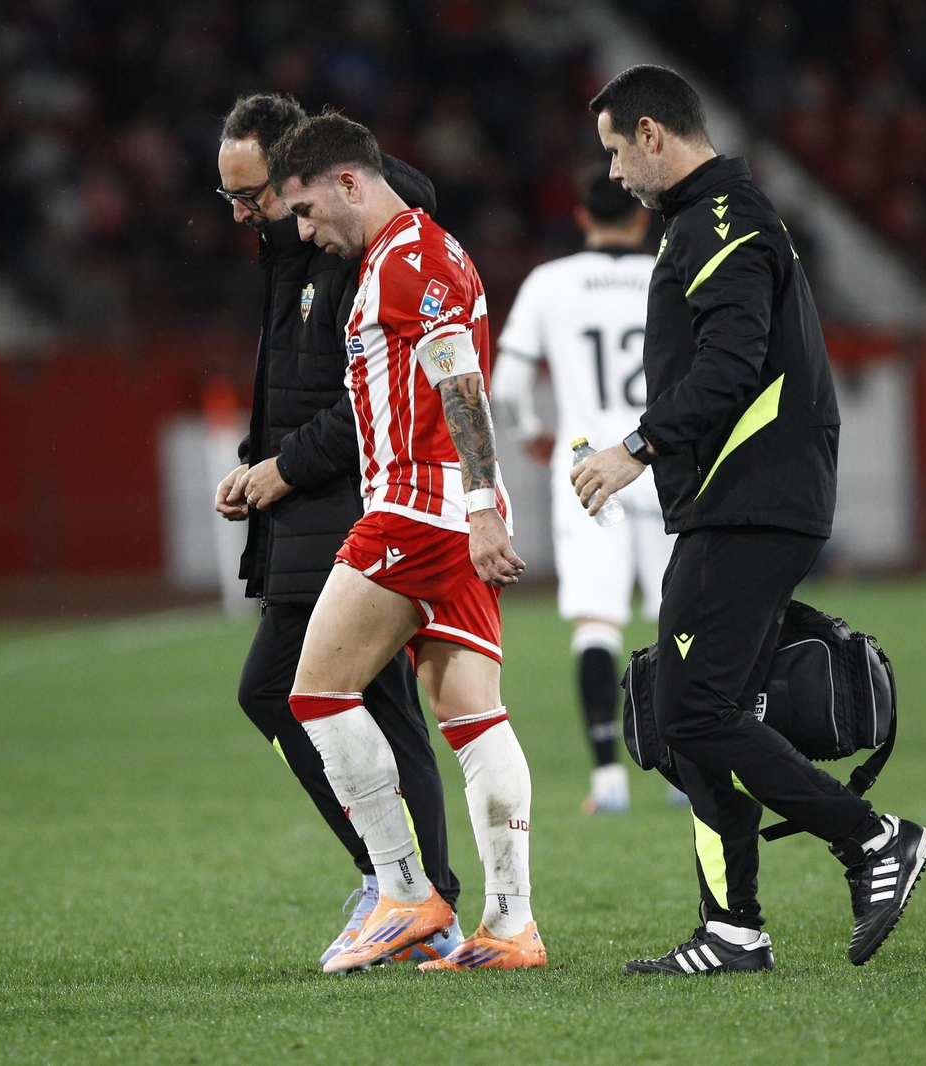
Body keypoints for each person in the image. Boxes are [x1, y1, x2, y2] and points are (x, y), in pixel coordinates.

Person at [571, 65, 926, 974]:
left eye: (617, 150)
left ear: (653, 135)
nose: (613, 173)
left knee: (688, 712)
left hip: (753, 500)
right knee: (685, 706)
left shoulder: (723, 222)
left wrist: (636, 450)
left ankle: (872, 840)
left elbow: (732, 364)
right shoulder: (707, 219)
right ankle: (733, 927)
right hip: (739, 501)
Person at [267, 113, 545, 973]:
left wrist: (478, 506)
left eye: (309, 210)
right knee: (472, 715)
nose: (307, 232)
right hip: (451, 511)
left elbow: (457, 373)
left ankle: (402, 890)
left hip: (418, 510)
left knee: (312, 691)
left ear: (349, 181)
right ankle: (511, 925)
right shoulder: (430, 252)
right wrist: (481, 507)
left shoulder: (409, 258)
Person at [210, 92, 463, 966]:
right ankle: (407, 889)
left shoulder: (363, 251)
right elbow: (303, 381)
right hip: (305, 510)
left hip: (353, 507)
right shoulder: (291, 254)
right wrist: (257, 460)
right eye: (232, 199)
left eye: (255, 196)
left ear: (303, 178)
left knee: (328, 697)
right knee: (344, 702)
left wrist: (284, 466)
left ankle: (411, 891)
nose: (245, 214)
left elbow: (374, 400)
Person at [493, 171, 676, 815]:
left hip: (586, 472)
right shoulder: (671, 270)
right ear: (643, 217)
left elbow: (508, 389)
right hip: (667, 461)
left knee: (597, 623)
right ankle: (685, 772)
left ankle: (608, 781)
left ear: (580, 215)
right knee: (677, 624)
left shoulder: (551, 283)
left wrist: (533, 435)